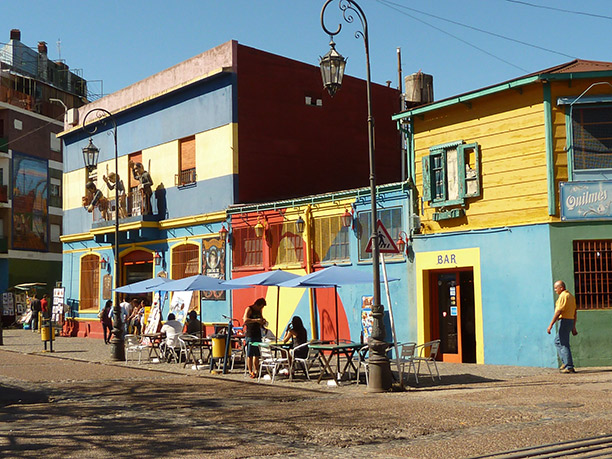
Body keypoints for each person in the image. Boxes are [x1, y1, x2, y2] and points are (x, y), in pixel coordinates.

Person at [547, 280, 578, 373]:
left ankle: (569, 366)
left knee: (563, 343)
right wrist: (573, 326)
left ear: (561, 288)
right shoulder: (571, 296)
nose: (555, 290)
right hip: (570, 320)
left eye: (556, 288)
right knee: (557, 341)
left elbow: (558, 311)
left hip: (564, 320)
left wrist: (551, 325)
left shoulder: (563, 296)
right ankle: (565, 362)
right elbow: (574, 312)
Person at [243, 298, 267, 378]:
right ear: (257, 305)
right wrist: (256, 320)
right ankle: (250, 371)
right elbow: (245, 320)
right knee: (250, 354)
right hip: (250, 334)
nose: (261, 309)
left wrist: (262, 321)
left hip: (258, 333)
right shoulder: (249, 309)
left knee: (256, 354)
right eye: (261, 307)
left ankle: (256, 369)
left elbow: (261, 319)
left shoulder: (259, 311)